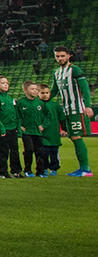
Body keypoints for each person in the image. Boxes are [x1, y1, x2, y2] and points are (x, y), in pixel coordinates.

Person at [51, 46, 92, 176]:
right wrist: (41, 100)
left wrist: (88, 106)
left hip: (76, 109)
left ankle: (85, 169)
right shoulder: (56, 72)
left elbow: (85, 88)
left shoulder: (75, 70)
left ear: (68, 56)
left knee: (76, 137)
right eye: (57, 56)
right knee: (73, 137)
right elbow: (54, 90)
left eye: (62, 56)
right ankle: (82, 168)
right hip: (66, 110)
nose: (60, 58)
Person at [0, 75, 22, 178]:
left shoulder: (11, 99)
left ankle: (15, 171)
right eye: (3, 83)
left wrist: (17, 128)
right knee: (3, 151)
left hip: (12, 128)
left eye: (7, 83)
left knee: (14, 150)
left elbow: (16, 115)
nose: (6, 85)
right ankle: (3, 171)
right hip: (3, 129)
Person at [16, 80, 44, 179]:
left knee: (40, 151)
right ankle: (27, 170)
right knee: (29, 150)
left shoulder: (40, 103)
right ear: (25, 90)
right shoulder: (20, 102)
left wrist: (43, 125)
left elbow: (47, 116)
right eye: (32, 89)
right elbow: (16, 116)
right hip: (27, 131)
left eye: (36, 89)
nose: (35, 91)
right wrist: (19, 126)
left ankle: (40, 171)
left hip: (37, 131)